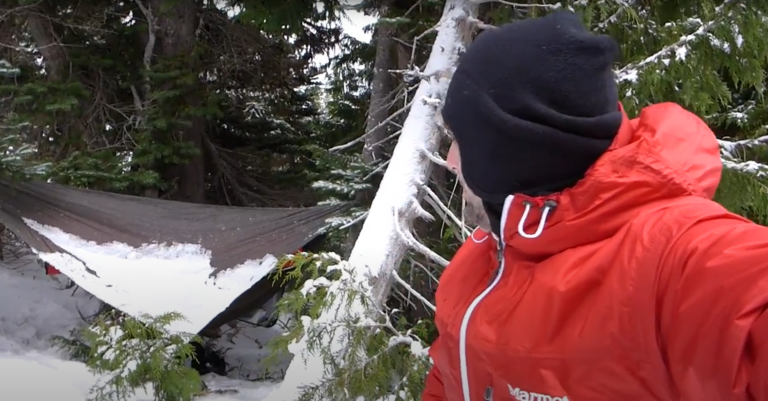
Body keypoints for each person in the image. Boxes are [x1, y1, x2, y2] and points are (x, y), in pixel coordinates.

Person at [422, 10, 768, 401]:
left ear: (517, 155)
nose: (450, 161)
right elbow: (450, 376)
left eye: (462, 141)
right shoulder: (483, 260)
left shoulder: (673, 260)